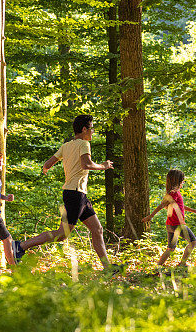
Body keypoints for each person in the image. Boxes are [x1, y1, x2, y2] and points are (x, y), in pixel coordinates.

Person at [14, 114, 120, 273]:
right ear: (84, 129)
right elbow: (86, 165)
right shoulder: (84, 144)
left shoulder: (66, 146)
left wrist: (46, 169)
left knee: (97, 229)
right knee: (62, 234)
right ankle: (20, 246)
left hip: (78, 195)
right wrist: (103, 166)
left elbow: (48, 163)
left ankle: (107, 267)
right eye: (91, 128)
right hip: (75, 195)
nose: (93, 132)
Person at [142, 168, 196, 267]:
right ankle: (182, 264)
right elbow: (162, 205)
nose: (183, 182)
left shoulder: (172, 193)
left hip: (170, 225)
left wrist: (193, 210)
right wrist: (150, 216)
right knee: (193, 242)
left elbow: (180, 206)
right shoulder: (174, 193)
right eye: (182, 180)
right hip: (177, 225)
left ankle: (158, 265)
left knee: (170, 249)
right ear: (177, 181)